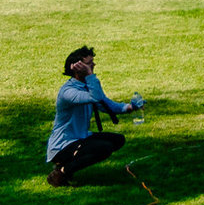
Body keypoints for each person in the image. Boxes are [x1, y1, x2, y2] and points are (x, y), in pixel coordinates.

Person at [48, 45, 139, 187]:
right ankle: (63, 171)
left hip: (80, 137)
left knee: (118, 140)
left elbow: (104, 103)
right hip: (63, 145)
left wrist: (129, 107)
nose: (93, 65)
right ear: (77, 68)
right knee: (104, 148)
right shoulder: (68, 92)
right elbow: (95, 97)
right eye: (89, 64)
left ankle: (67, 165)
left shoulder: (87, 85)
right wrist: (90, 75)